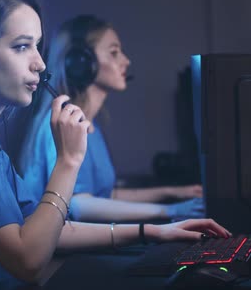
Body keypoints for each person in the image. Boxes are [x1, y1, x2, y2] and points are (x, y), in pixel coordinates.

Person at [0, 0, 230, 287]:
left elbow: (48, 229)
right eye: (22, 46)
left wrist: (155, 232)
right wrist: (69, 161)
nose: (41, 63)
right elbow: (29, 261)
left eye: (38, 46)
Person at [14, 14, 204, 223]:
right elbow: (79, 205)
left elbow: (104, 195)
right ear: (80, 62)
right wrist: (170, 212)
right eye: (114, 53)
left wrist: (172, 192)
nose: (126, 61)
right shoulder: (63, 123)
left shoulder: (88, 122)